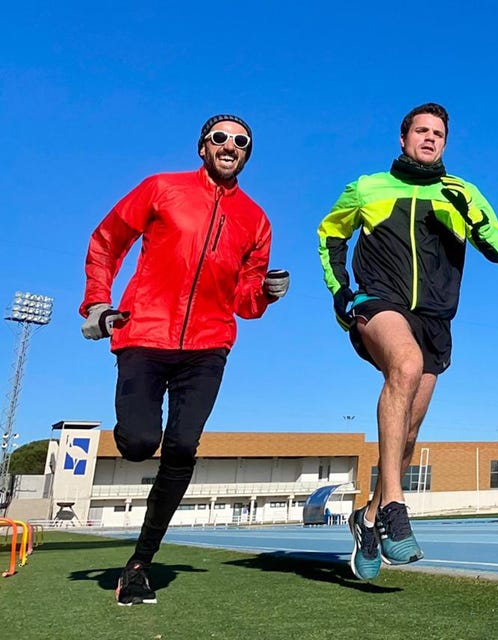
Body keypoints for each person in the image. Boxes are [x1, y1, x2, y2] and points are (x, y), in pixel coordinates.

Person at [80, 113, 289, 605]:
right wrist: (96, 302)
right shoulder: (160, 188)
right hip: (144, 334)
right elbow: (106, 242)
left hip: (208, 347)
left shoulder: (256, 219)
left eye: (241, 142)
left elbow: (244, 301)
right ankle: (135, 442)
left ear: (246, 155)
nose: (230, 146)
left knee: (181, 447)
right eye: (221, 138)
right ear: (203, 147)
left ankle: (139, 564)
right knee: (136, 442)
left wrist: (265, 293)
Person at [317, 103, 498, 580]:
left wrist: (476, 219)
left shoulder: (461, 192)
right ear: (402, 140)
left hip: (436, 319)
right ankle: (395, 510)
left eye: (438, 133)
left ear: (445, 143)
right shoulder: (368, 186)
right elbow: (330, 233)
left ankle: (366, 518)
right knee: (403, 364)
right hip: (377, 301)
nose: (430, 138)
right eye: (421, 131)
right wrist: (340, 289)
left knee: (407, 433)